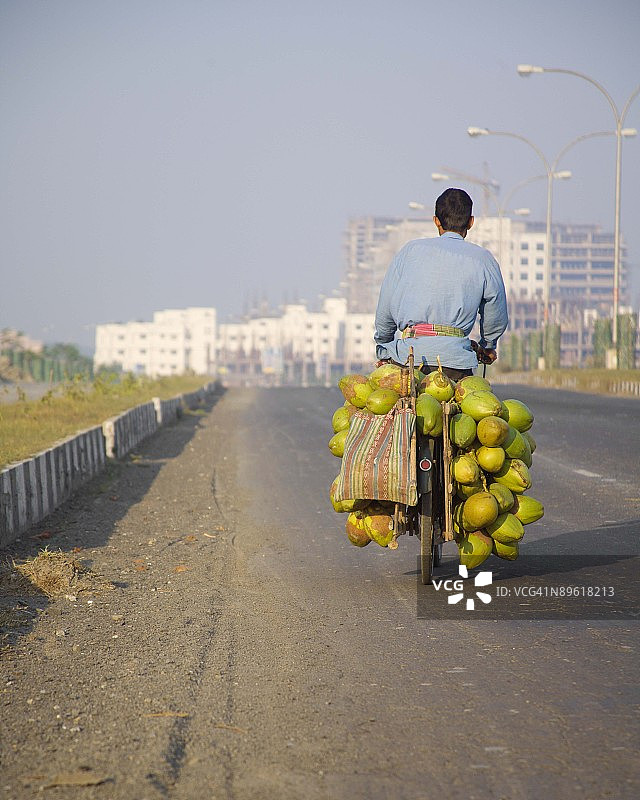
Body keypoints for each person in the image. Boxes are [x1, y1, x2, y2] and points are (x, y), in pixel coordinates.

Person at [373, 187, 508, 381]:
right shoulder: (483, 259)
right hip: (456, 363)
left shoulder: (410, 251)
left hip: (407, 359)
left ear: (436, 220)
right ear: (471, 222)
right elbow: (496, 312)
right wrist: (488, 345)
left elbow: (386, 306)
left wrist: (384, 346)